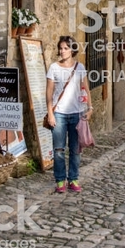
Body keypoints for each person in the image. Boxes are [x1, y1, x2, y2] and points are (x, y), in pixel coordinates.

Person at [46, 36, 92, 193]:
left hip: (77, 113)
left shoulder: (80, 68)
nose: (62, 51)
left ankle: (73, 178)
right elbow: (49, 92)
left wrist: (90, 108)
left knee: (75, 149)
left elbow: (85, 87)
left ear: (72, 50)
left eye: (65, 48)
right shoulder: (54, 68)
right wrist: (50, 113)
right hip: (59, 114)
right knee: (58, 149)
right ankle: (60, 181)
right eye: (60, 48)